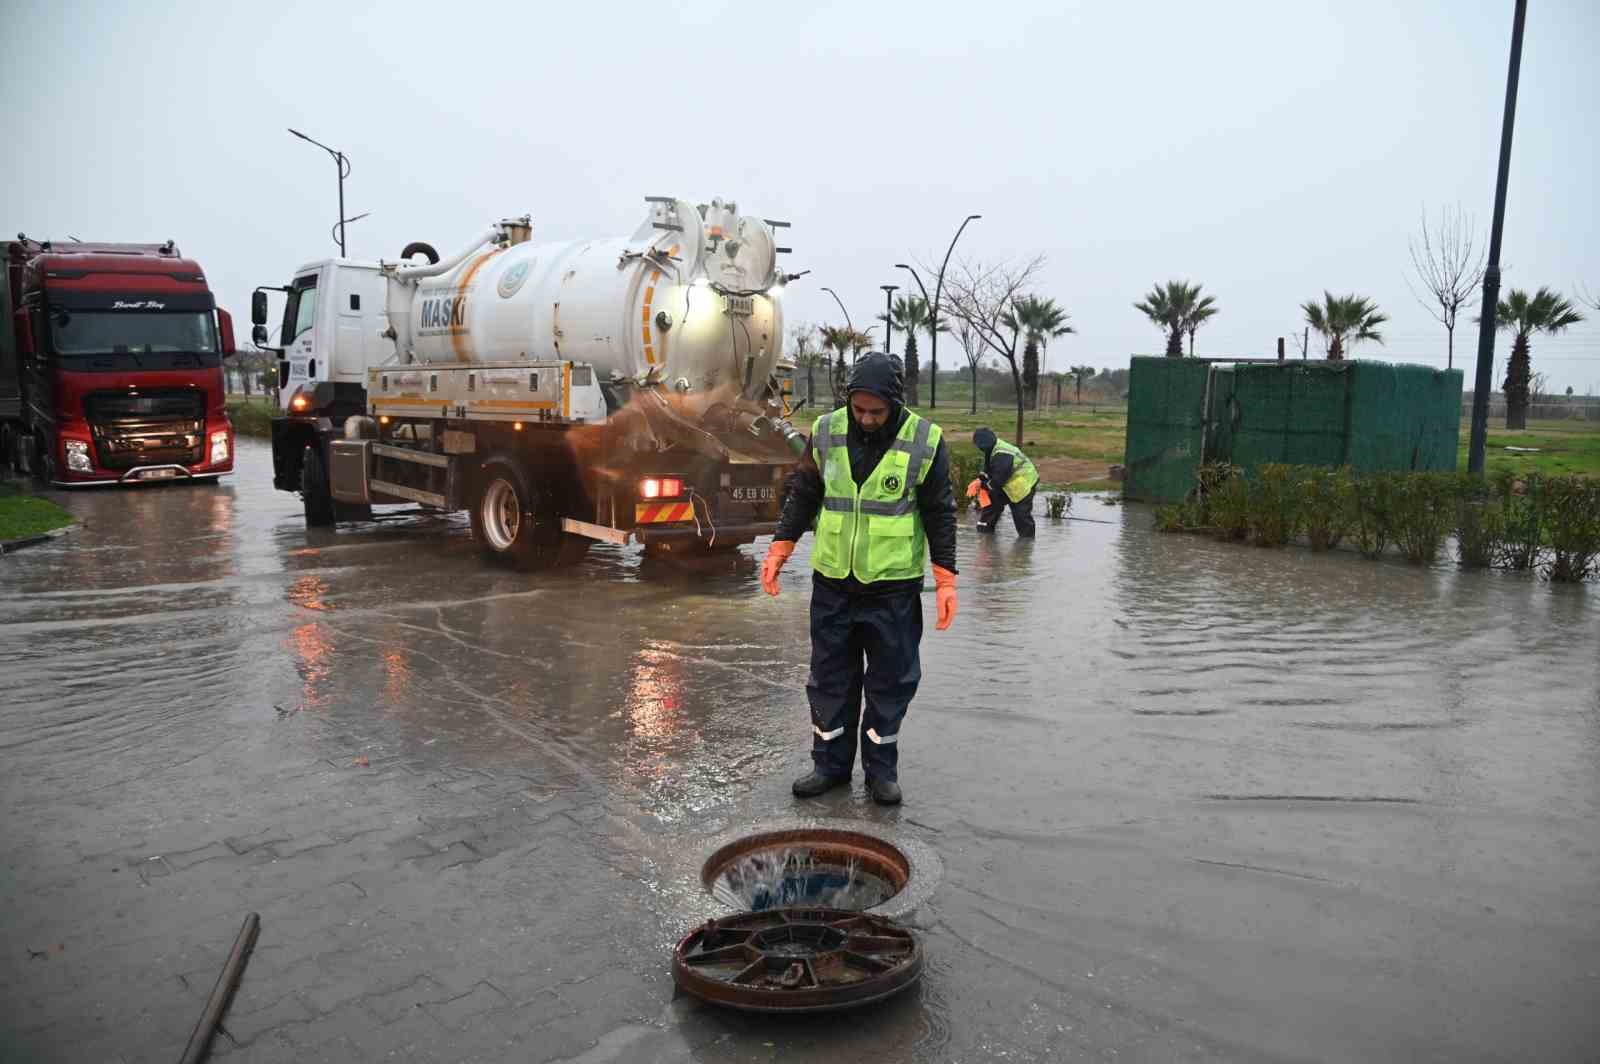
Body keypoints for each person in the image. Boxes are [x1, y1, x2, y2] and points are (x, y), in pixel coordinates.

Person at [760, 352, 958, 805]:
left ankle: (880, 772)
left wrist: (945, 578)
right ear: (848, 400)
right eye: (859, 409)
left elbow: (939, 513)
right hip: (832, 583)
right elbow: (804, 492)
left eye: (877, 412)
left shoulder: (925, 441)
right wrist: (780, 547)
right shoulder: (826, 431)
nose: (866, 419)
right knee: (829, 679)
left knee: (890, 682)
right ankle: (828, 765)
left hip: (893, 588)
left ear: (895, 404)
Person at [972, 427, 1038, 538]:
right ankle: (985, 536)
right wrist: (980, 479)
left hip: (1024, 483)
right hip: (1009, 483)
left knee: (1021, 515)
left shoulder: (1002, 454)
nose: (983, 449)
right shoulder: (992, 448)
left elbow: (999, 480)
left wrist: (983, 485)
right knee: (991, 505)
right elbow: (988, 468)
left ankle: (1026, 545)